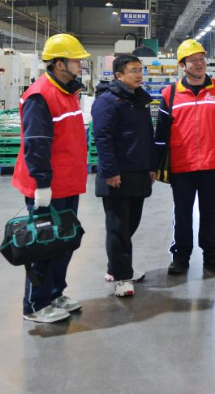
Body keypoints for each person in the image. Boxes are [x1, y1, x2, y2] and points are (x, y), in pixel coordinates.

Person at [12, 33, 91, 323]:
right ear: (59, 64)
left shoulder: (67, 92)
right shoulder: (40, 95)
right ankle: (35, 304)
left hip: (67, 182)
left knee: (64, 242)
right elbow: (36, 144)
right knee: (44, 245)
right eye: (76, 60)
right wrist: (42, 183)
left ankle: (54, 293)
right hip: (48, 186)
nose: (80, 64)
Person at [155, 39, 215, 275]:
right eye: (193, 60)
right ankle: (181, 257)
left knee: (211, 212)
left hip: (213, 164)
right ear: (183, 65)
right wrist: (156, 165)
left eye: (201, 59)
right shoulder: (170, 94)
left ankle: (211, 255)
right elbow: (161, 134)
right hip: (182, 165)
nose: (199, 63)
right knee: (182, 214)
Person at [91, 54, 157, 297]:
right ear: (118, 75)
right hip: (117, 174)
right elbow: (103, 138)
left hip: (139, 170)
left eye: (140, 69)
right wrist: (110, 171)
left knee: (131, 224)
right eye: (133, 70)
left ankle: (116, 267)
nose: (139, 74)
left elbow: (148, 134)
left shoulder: (139, 99)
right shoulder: (107, 101)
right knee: (118, 226)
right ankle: (121, 278)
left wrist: (152, 165)